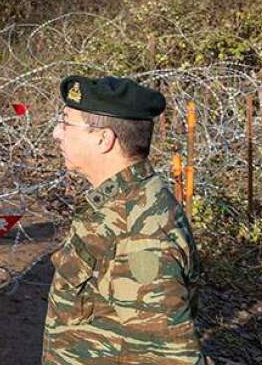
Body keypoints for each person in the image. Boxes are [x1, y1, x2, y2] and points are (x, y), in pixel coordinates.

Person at [44, 75, 205, 364]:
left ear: (104, 139)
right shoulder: (117, 203)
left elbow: (166, 357)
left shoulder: (141, 237)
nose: (57, 133)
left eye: (66, 123)